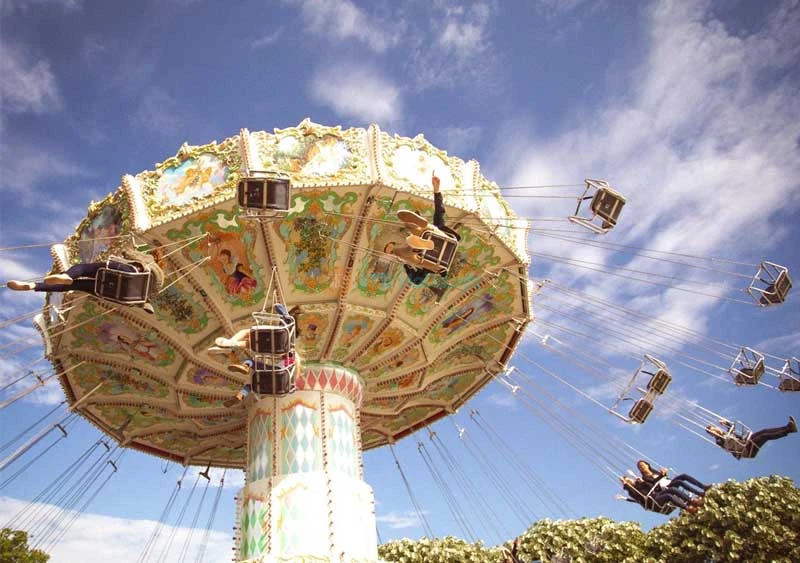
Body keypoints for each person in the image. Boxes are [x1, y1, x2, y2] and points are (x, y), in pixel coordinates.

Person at [6, 248, 162, 314]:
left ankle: (43, 283)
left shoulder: (149, 262)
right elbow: (146, 302)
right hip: (124, 295)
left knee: (84, 269)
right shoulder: (155, 285)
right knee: (75, 286)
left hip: (124, 275)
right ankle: (35, 285)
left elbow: (129, 253)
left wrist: (126, 251)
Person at [393, 172, 461, 286]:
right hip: (438, 261)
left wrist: (406, 264)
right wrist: (437, 190)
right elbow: (439, 213)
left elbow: (440, 212)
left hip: (437, 254)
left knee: (417, 256)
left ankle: (414, 235)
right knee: (418, 257)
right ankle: (414, 241)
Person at [706, 416, 797, 459]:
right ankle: (788, 430)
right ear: (712, 434)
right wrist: (719, 433)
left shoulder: (723, 434)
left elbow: (731, 428)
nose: (715, 430)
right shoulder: (718, 440)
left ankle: (788, 427)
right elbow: (725, 441)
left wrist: (726, 423)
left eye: (714, 428)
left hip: (746, 443)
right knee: (765, 436)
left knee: (764, 431)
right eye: (712, 431)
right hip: (746, 450)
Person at [620, 476, 700, 513]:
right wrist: (625, 485)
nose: (630, 481)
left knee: (672, 489)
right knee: (668, 496)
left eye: (629, 480)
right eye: (628, 482)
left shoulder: (640, 484)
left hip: (656, 495)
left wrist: (643, 482)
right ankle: (687, 508)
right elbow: (637, 498)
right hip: (652, 502)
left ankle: (692, 501)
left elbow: (651, 486)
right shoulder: (631, 491)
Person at [636, 460, 710, 497]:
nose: (642, 467)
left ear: (647, 465)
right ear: (640, 470)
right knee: (679, 482)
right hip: (663, 487)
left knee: (684, 476)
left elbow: (663, 477)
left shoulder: (654, 471)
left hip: (668, 482)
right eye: (640, 467)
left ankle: (703, 487)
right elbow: (654, 482)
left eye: (643, 465)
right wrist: (661, 475)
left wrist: (664, 473)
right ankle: (698, 493)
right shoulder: (644, 477)